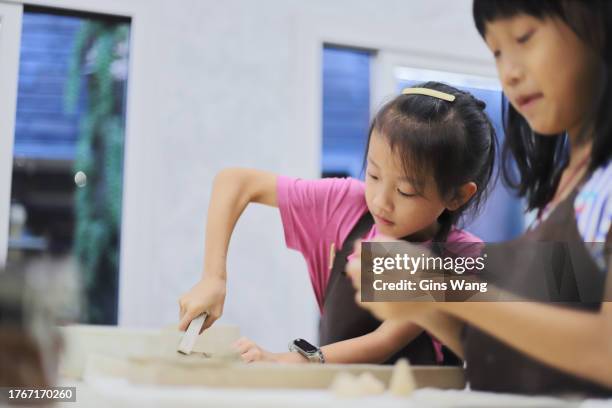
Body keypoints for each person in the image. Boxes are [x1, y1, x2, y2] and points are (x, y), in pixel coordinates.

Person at [349, 0, 612, 395]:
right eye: (497, 51)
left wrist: (445, 285)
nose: (510, 71)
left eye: (524, 38)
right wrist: (424, 302)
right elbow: (510, 352)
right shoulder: (562, 192)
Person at [179, 81, 496, 365]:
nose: (381, 201)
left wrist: (296, 361)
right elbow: (235, 182)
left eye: (405, 191)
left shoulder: (464, 255)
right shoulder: (347, 205)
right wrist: (213, 277)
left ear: (456, 196)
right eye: (373, 175)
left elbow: (385, 342)